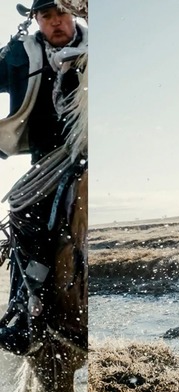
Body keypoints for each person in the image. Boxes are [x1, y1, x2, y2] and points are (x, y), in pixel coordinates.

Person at [0, 0, 87, 355]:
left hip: (90, 149)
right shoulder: (21, 57)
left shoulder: (93, 50)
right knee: (24, 210)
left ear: (74, 14)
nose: (56, 22)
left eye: (61, 13)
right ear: (35, 20)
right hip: (47, 159)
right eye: (46, 16)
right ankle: (25, 309)